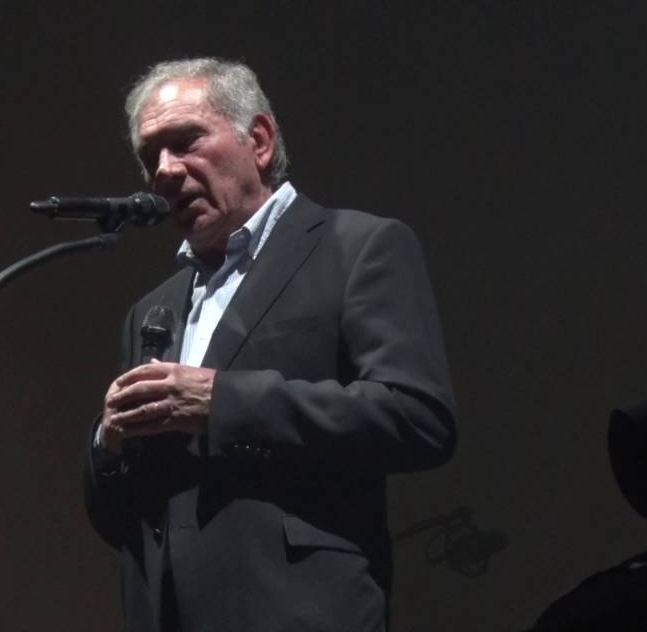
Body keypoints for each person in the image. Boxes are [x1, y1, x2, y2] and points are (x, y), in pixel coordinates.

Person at [83, 58, 456, 632]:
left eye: (184, 141)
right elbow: (122, 522)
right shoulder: (151, 310)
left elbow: (418, 418)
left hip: (295, 610)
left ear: (258, 140)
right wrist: (107, 445)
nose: (164, 170)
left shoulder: (356, 248)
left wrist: (222, 402)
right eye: (149, 156)